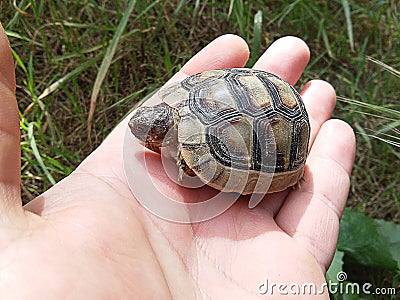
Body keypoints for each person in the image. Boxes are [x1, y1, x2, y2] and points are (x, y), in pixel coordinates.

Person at [0, 22, 355, 299]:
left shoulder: (187, 156)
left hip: (278, 129)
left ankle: (289, 173)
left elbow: (194, 163)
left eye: (153, 135)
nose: (144, 139)